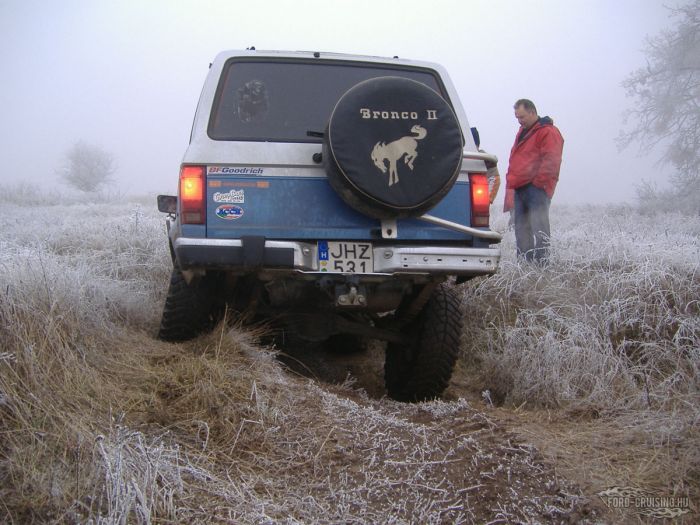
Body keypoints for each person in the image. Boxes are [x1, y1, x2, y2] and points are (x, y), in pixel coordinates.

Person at [505, 99, 564, 263]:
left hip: (536, 188)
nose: (519, 121)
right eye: (517, 117)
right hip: (520, 187)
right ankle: (525, 264)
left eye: (522, 117)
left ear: (532, 112)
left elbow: (552, 160)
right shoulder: (523, 131)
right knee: (521, 229)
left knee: (540, 228)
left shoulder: (548, 131)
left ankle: (541, 265)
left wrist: (539, 184)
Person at [470, 127, 501, 204]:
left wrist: (486, 199)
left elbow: (495, 178)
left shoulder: (485, 159)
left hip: (475, 202)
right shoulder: (456, 157)